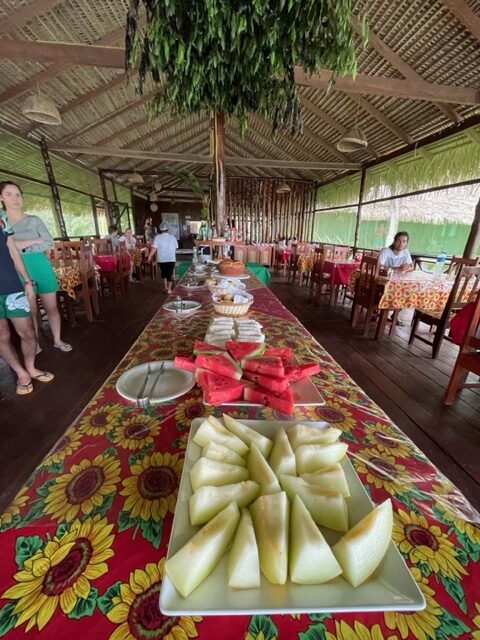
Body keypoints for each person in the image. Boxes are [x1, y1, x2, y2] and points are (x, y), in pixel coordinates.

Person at [0, 181, 72, 352]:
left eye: (18, 194)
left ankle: (57, 339)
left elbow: (48, 243)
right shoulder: (2, 222)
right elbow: (7, 247)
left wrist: (19, 245)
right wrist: (33, 241)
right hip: (18, 269)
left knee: (52, 307)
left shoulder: (34, 220)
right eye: (9, 194)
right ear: (1, 198)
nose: (15, 198)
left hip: (41, 265)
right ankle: (35, 344)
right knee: (30, 310)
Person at [0, 205, 54, 395]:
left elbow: (12, 249)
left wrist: (27, 281)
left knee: (28, 331)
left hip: (12, 284)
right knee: (2, 336)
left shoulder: (1, 217)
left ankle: (31, 367)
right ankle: (21, 373)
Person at [148, 221, 178, 294]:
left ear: (160, 229)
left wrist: (149, 256)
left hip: (162, 260)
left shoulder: (157, 237)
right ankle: (169, 290)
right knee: (169, 274)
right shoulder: (173, 237)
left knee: (164, 274)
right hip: (171, 259)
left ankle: (165, 287)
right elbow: (176, 247)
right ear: (168, 229)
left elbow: (154, 248)